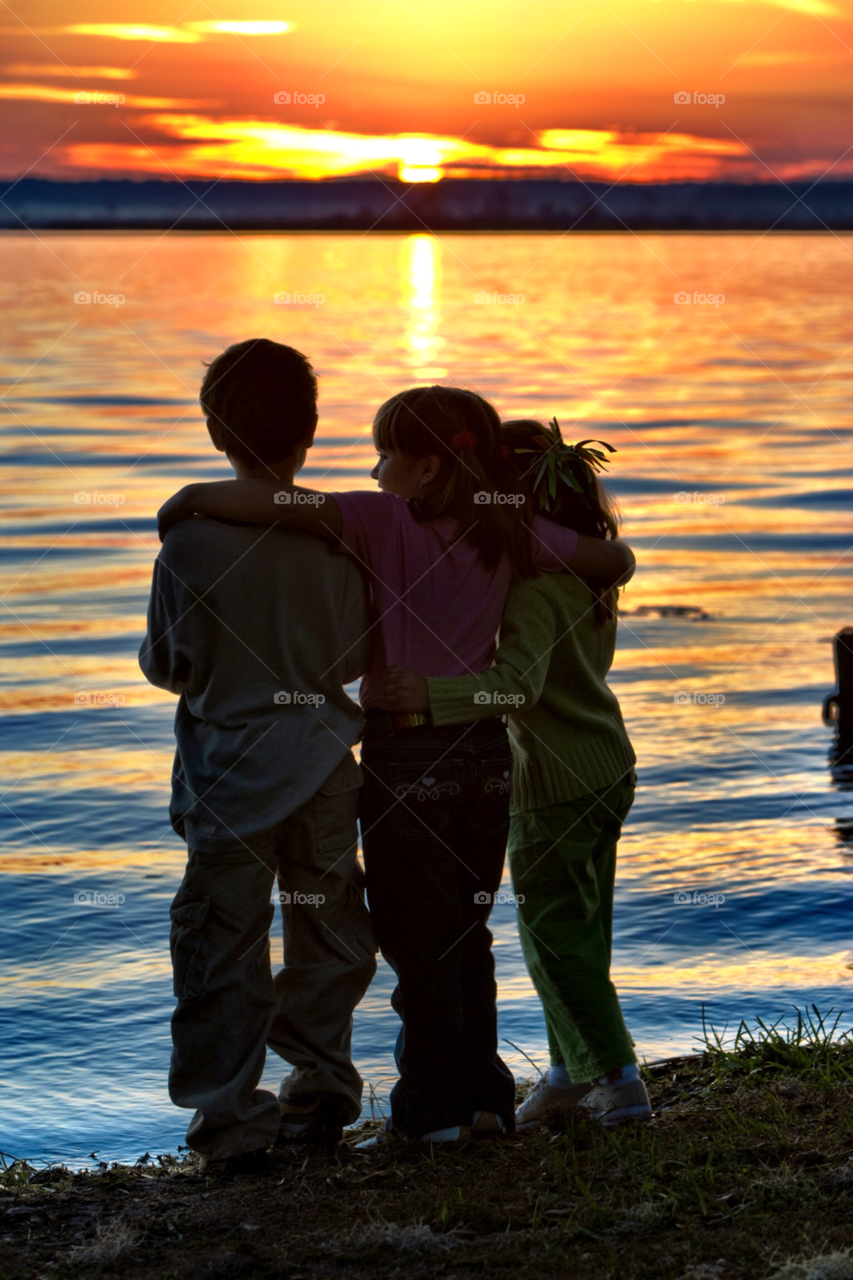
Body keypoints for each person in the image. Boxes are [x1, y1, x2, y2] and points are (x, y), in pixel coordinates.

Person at [157, 386, 636, 1145]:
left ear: (421, 471)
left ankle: (429, 1115)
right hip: (483, 753)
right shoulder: (515, 533)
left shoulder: (376, 520)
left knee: (416, 945)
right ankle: (483, 1102)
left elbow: (278, 502)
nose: (374, 470)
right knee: (465, 933)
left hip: (407, 753)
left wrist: (183, 500)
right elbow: (615, 558)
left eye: (384, 456)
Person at [140, 338, 377, 1175]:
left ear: (215, 433)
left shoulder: (191, 546)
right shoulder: (342, 538)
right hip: (321, 770)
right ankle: (322, 1090)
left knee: (219, 944)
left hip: (229, 783)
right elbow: (355, 652)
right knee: (329, 930)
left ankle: (228, 1117)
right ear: (310, 430)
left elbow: (170, 664)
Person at [382, 419, 651, 1129]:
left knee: (555, 941)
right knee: (580, 931)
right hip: (607, 766)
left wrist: (430, 695)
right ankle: (568, 1072)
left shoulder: (534, 588)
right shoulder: (590, 577)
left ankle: (619, 1083)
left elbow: (518, 688)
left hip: (555, 784)